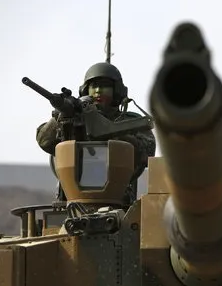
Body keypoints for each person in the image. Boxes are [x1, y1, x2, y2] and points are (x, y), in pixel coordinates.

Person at [36, 62, 156, 207]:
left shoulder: (130, 121)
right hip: (71, 203)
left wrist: (108, 131)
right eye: (93, 87)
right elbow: (44, 142)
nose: (98, 91)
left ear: (117, 91)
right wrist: (62, 117)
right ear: (86, 91)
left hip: (118, 202)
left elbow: (148, 152)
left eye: (105, 86)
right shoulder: (73, 119)